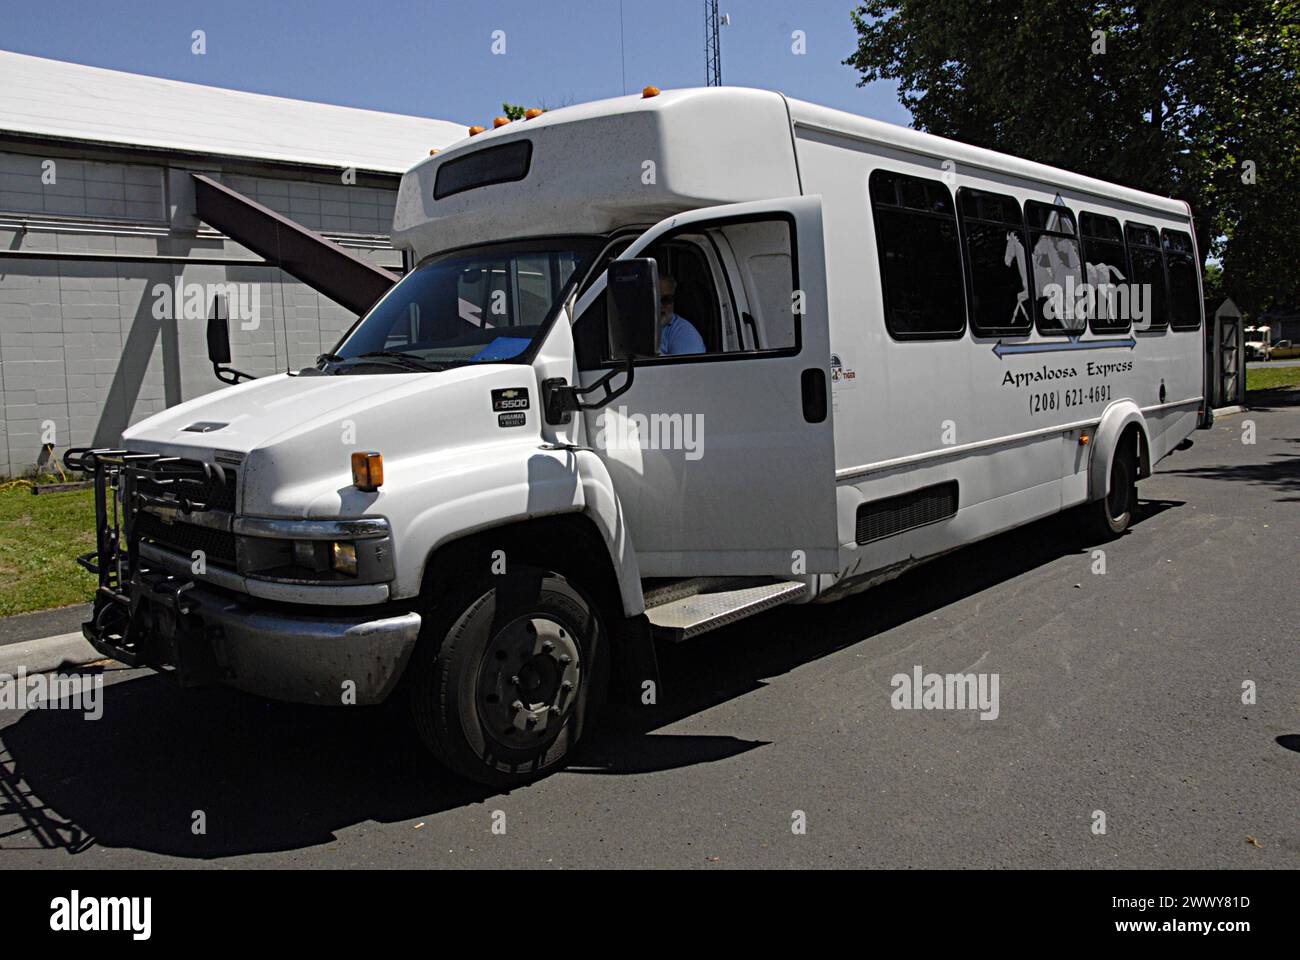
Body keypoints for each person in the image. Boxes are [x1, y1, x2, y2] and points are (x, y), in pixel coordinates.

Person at [658, 274, 705, 355]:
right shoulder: (635, 327)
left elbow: (688, 367)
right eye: (653, 299)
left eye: (666, 300)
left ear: (673, 301)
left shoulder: (684, 332)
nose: (660, 305)